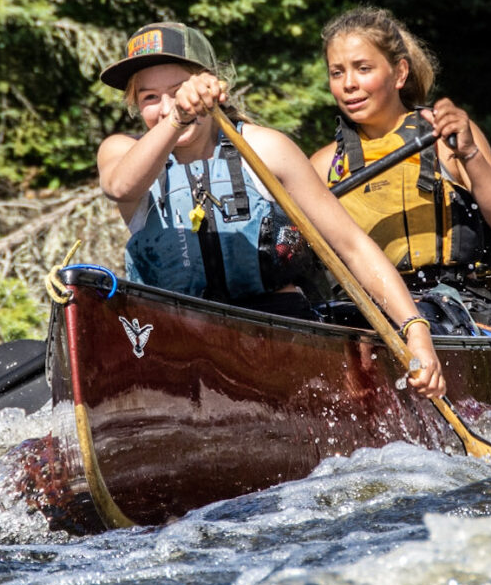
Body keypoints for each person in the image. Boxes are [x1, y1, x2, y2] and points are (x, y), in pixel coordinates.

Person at [96, 21, 445, 399]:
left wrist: (416, 331)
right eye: (149, 98)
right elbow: (119, 186)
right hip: (176, 339)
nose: (165, 107)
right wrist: (177, 116)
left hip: (276, 331)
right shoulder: (120, 152)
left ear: (209, 87)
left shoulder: (266, 149)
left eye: (178, 91)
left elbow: (351, 245)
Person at [308, 7, 491, 336]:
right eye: (337, 73)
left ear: (400, 73)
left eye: (363, 69)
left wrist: (469, 154)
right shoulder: (324, 166)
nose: (349, 84)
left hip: (467, 302)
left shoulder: (447, 138)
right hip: (371, 313)